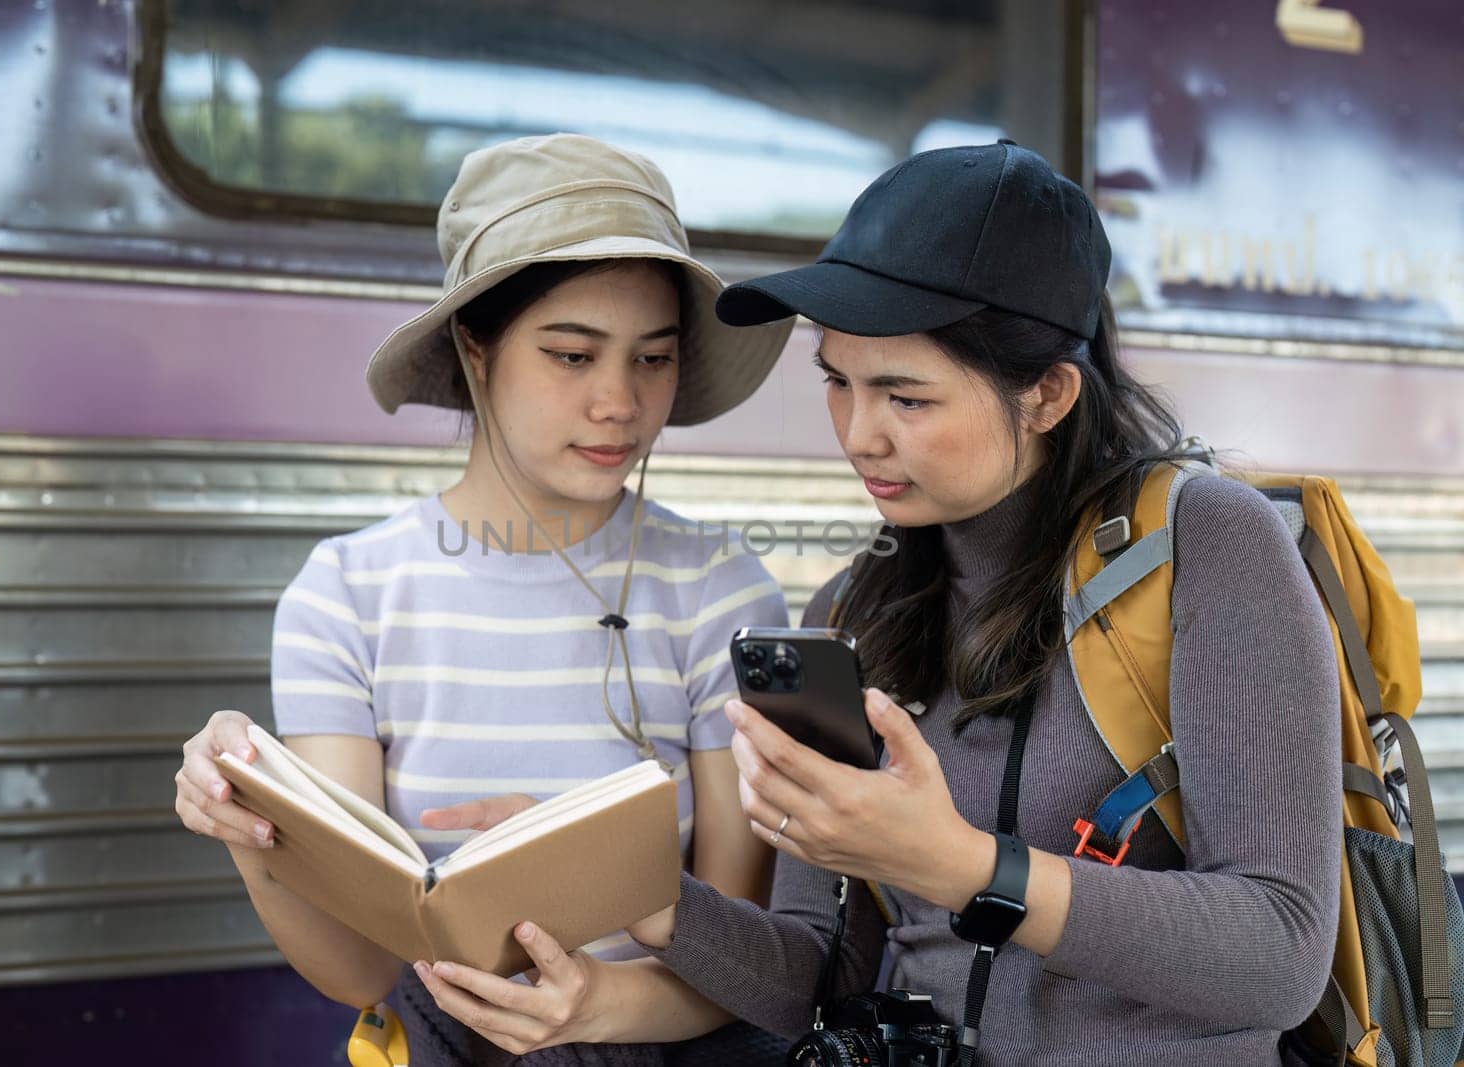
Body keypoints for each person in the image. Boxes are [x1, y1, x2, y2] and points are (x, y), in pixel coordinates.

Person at [424, 141, 1343, 1065]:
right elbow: (815, 972)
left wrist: (958, 865)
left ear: (1049, 393)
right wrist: (637, 892)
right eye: (837, 382)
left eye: (906, 397)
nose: (860, 436)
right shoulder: (851, 607)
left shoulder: (1205, 547)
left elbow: (1280, 948)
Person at [172, 133, 798, 1066]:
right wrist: (247, 822)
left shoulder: (718, 590)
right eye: (573, 356)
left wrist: (597, 1006)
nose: (620, 403)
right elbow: (358, 970)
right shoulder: (348, 595)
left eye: (653, 358)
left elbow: (745, 959)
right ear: (476, 346)